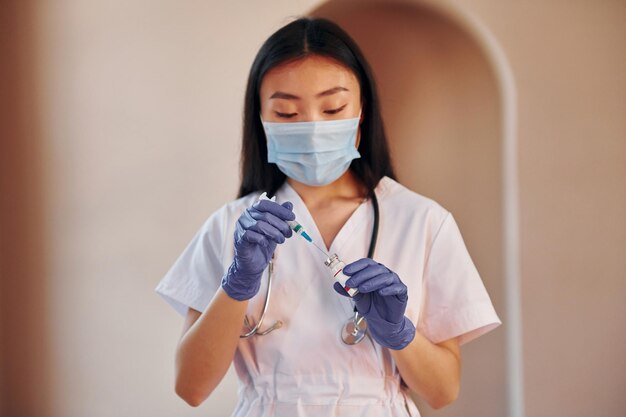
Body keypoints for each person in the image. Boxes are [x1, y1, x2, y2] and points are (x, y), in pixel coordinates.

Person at [155, 17, 501, 417]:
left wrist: (398, 333)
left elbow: (442, 392)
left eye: (333, 108)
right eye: (287, 114)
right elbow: (191, 388)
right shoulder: (232, 226)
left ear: (361, 115)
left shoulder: (421, 221)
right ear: (262, 122)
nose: (313, 128)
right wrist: (237, 285)